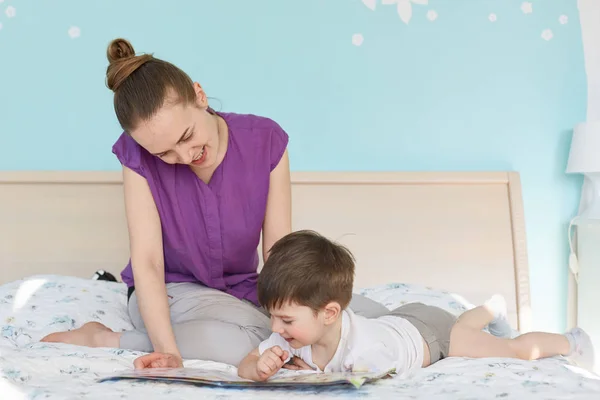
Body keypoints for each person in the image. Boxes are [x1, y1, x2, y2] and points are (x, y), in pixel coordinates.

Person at [40, 38, 390, 368]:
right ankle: (103, 338)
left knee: (362, 315)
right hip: (171, 290)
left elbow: (277, 254)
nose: (183, 156)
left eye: (187, 136)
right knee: (252, 343)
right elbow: (148, 263)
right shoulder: (136, 156)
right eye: (164, 153)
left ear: (200, 95)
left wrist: (296, 321)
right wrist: (167, 352)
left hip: (245, 287)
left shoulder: (265, 141)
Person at [237, 230, 595, 381]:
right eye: (272, 317)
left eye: (284, 320)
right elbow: (246, 365)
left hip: (430, 335)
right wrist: (259, 367)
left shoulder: (366, 352)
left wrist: (315, 375)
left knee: (511, 349)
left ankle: (571, 341)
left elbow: (355, 384)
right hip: (401, 320)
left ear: (329, 313)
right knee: (465, 326)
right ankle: (491, 308)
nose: (275, 329)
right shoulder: (290, 336)